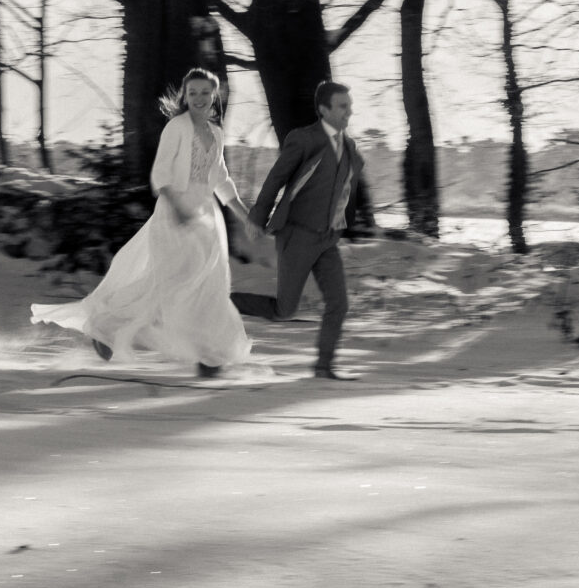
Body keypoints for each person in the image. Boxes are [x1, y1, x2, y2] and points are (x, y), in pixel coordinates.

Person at [30, 67, 255, 378]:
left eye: (205, 93)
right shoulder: (176, 128)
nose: (199, 98)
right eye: (193, 93)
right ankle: (111, 327)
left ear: (214, 95)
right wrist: (178, 209)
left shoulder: (216, 133)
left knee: (209, 288)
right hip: (174, 217)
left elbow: (221, 180)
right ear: (185, 96)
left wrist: (246, 216)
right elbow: (160, 175)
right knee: (175, 287)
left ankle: (209, 355)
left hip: (206, 219)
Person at [253, 79, 369, 380]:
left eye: (350, 107)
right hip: (298, 234)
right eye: (343, 107)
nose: (349, 113)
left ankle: (324, 366)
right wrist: (258, 218)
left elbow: (346, 190)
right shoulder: (303, 139)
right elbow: (276, 179)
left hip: (327, 239)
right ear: (323, 109)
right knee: (284, 309)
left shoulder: (350, 147)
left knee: (339, 304)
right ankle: (227, 301)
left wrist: (348, 224)